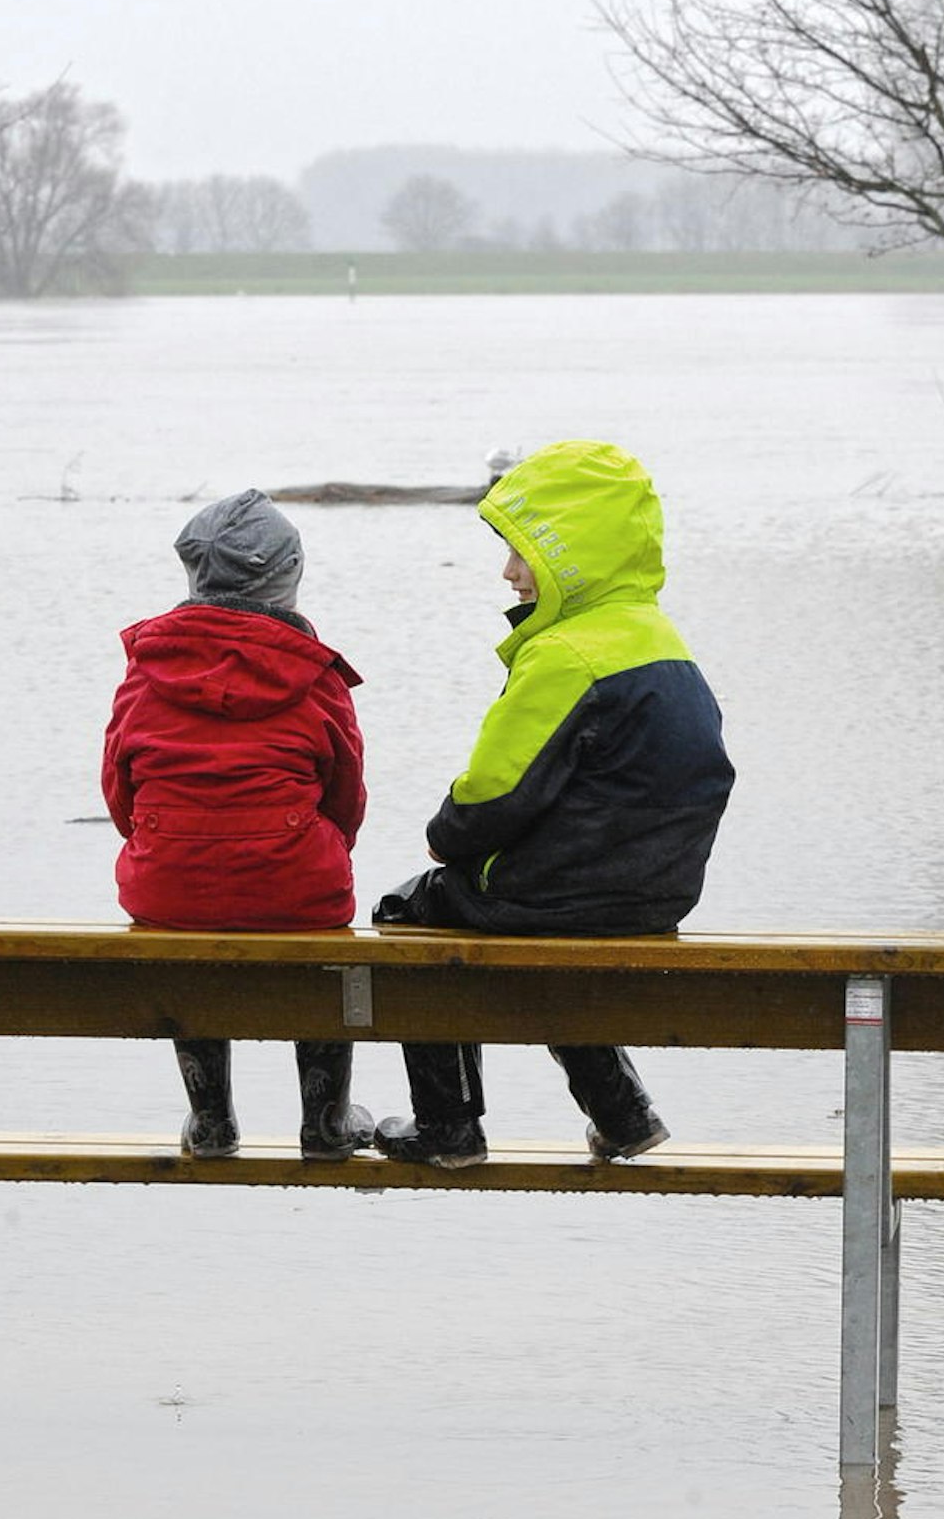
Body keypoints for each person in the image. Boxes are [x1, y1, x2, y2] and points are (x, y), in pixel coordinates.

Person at [372, 439, 735, 1167]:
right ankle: (623, 1113)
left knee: (412, 909)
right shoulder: (661, 641)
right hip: (656, 893)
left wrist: (446, 836)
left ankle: (448, 1125)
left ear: (572, 555)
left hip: (568, 893)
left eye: (522, 552)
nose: (508, 572)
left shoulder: (568, 654)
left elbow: (498, 789)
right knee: (544, 944)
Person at [103, 489, 373, 1159]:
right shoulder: (314, 674)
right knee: (320, 932)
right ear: (288, 576)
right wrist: (310, 846)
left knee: (184, 920)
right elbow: (346, 798)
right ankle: (325, 1122)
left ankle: (212, 1120)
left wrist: (171, 839)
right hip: (297, 882)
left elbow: (119, 792)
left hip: (168, 885)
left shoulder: (147, 672)